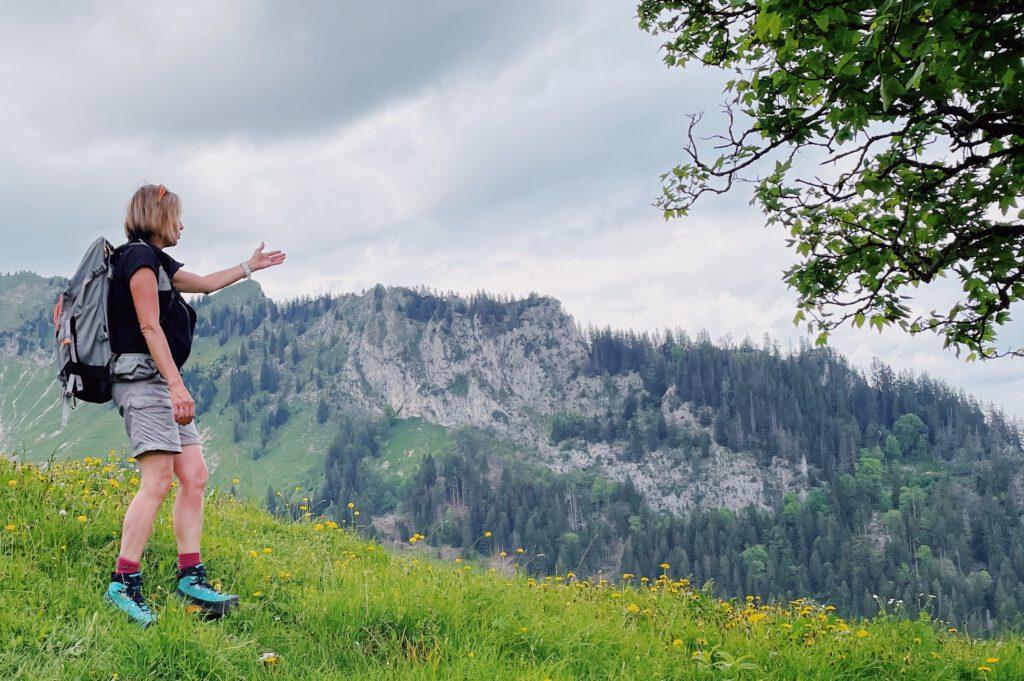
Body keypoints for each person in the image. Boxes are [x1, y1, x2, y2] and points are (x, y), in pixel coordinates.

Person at [103, 183, 286, 627]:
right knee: (159, 477)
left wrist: (249, 266)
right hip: (145, 380)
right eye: (177, 217)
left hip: (161, 382)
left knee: (194, 474)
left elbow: (203, 284)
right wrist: (176, 384)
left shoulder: (159, 262)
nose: (182, 225)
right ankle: (123, 581)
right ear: (157, 216)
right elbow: (149, 326)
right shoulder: (137, 259)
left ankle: (190, 575)